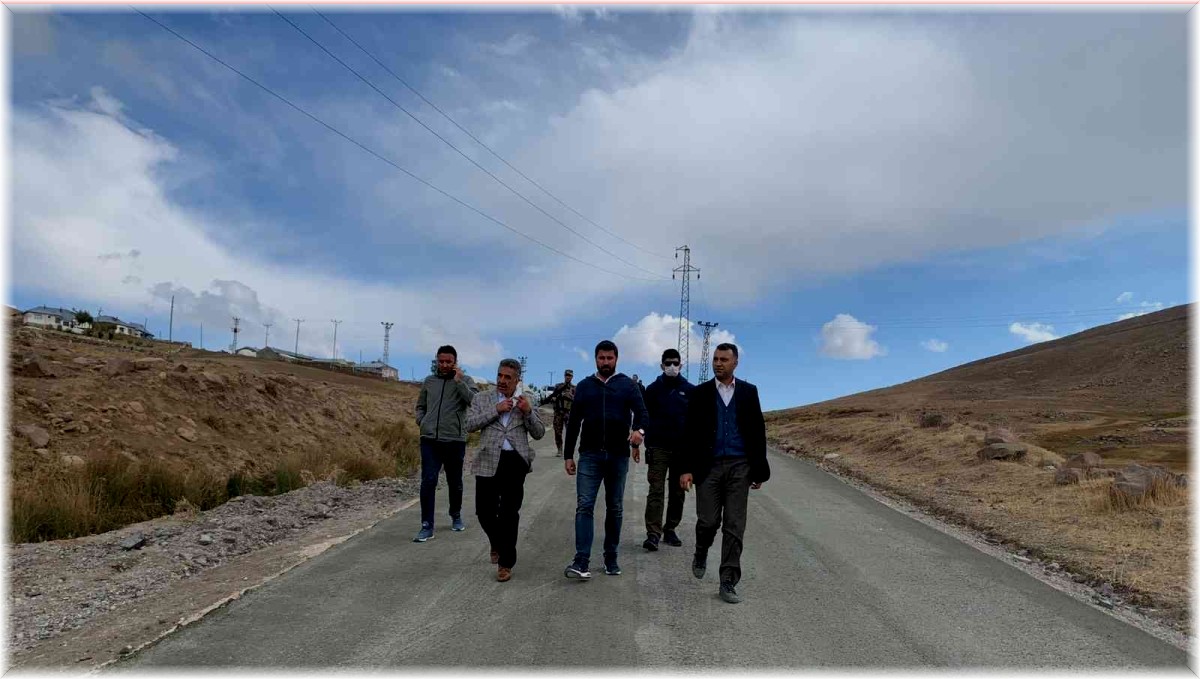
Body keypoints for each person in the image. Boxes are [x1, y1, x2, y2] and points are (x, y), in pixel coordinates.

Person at [679, 343, 769, 604]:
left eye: (724, 359)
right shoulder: (701, 393)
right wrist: (686, 468)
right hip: (708, 466)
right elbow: (689, 433)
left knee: (734, 525)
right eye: (716, 359)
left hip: (740, 466)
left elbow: (756, 431)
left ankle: (728, 580)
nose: (718, 363)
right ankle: (701, 550)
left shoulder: (748, 392)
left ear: (735, 363)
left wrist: (759, 470)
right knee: (707, 521)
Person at [562, 340, 648, 580]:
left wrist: (639, 432)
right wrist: (569, 454)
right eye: (602, 358)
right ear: (595, 359)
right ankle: (581, 561)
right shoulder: (585, 387)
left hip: (618, 456)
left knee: (615, 507)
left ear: (616, 359)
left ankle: (611, 557)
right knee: (584, 506)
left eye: (610, 358)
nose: (606, 362)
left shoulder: (627, 386)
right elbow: (574, 422)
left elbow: (642, 414)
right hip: (589, 455)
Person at [465, 358, 545, 582]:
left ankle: (505, 563)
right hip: (488, 460)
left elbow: (539, 433)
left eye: (507, 377)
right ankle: (497, 543)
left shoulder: (525, 401)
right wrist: (496, 410)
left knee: (509, 514)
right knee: (484, 512)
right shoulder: (482, 398)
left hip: (514, 462)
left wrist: (528, 412)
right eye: (499, 375)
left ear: (517, 380)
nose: (501, 380)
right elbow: (469, 425)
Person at [413, 345, 478, 543]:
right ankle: (426, 526)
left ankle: (455, 514)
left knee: (455, 482)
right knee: (428, 481)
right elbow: (420, 405)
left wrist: (458, 382)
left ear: (455, 362)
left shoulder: (466, 381)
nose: (444, 365)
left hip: (454, 440)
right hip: (430, 439)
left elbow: (474, 401)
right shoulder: (429, 382)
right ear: (436, 361)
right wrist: (421, 421)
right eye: (441, 361)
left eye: (448, 361)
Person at [641, 348, 695, 551]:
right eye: (668, 363)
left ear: (681, 365)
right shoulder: (652, 389)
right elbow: (644, 417)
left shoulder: (690, 390)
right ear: (662, 365)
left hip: (682, 450)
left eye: (675, 363)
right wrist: (639, 441)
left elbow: (694, 423)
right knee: (656, 490)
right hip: (658, 448)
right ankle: (653, 534)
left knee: (678, 492)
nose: (672, 366)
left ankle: (670, 528)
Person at [547, 369, 576, 457]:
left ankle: (568, 450)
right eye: (567, 375)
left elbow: (577, 400)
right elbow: (553, 397)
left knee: (570, 433)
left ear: (572, 377)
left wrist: (569, 396)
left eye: (570, 375)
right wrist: (554, 399)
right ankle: (559, 449)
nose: (568, 377)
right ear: (564, 376)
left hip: (568, 413)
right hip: (559, 412)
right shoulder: (558, 386)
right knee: (558, 432)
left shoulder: (574, 388)